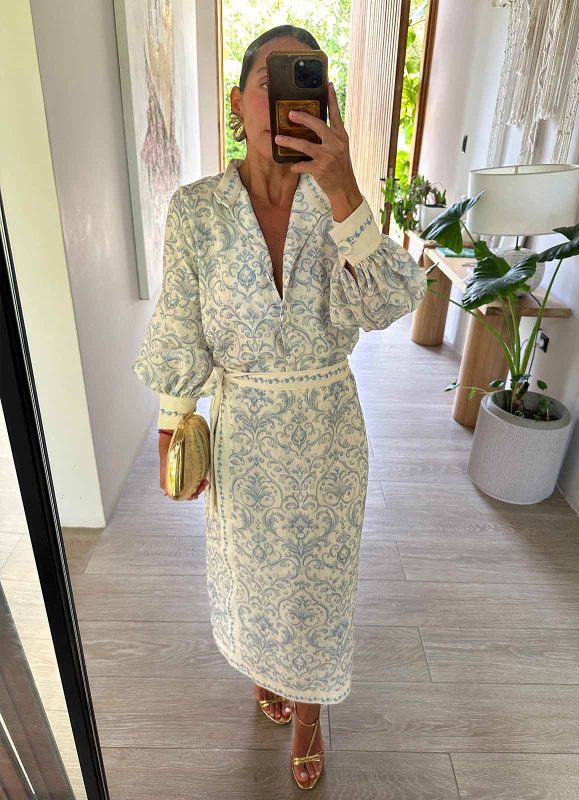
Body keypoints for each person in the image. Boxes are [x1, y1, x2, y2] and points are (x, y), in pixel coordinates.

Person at [132, 23, 427, 789]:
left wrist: (344, 185)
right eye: (273, 82)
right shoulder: (197, 211)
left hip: (327, 428)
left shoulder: (338, 204)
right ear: (239, 101)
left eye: (309, 84)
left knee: (317, 585)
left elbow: (388, 304)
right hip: (243, 431)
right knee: (255, 575)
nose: (288, 101)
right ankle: (267, 670)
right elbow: (181, 323)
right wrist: (174, 421)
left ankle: (310, 715)